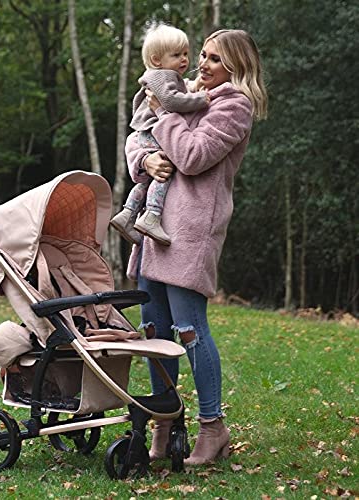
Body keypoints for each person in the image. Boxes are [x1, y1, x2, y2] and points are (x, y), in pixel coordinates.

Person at [124, 29, 268, 465]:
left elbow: (191, 156)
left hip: (189, 233)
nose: (202, 64)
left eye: (214, 59)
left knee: (189, 330)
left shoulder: (233, 106)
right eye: (202, 55)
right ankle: (164, 423)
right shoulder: (186, 92)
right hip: (153, 230)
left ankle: (212, 427)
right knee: (154, 332)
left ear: (236, 67)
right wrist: (144, 159)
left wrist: (163, 113)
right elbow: (138, 135)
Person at [110, 24, 209, 246]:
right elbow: (172, 100)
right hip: (153, 130)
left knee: (151, 178)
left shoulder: (162, 76)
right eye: (176, 55)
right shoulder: (162, 77)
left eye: (186, 54)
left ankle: (128, 213)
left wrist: (195, 86)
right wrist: (201, 99)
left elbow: (181, 89)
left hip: (145, 131)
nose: (184, 59)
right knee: (166, 169)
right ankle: (152, 215)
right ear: (156, 60)